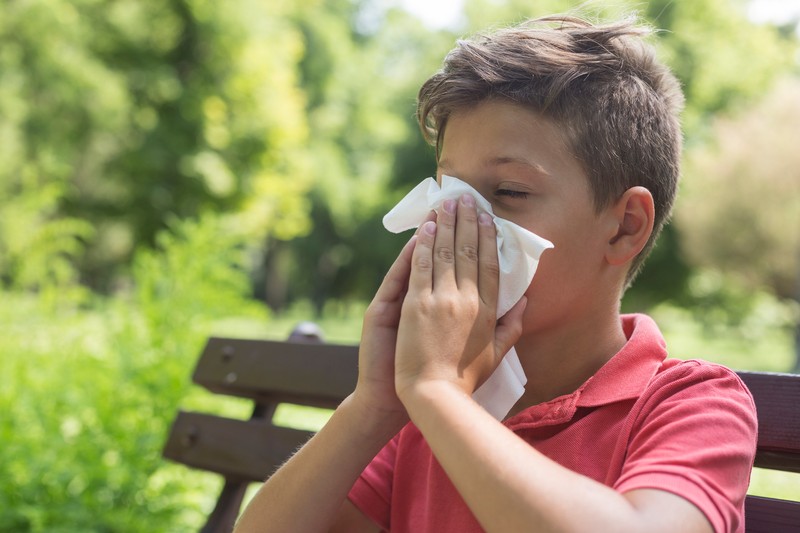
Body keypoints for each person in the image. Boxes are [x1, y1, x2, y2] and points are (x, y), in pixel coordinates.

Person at [234, 14, 757, 533]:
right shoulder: (417, 413)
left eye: (508, 193)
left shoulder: (691, 404)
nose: (456, 222)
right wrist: (373, 406)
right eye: (448, 191)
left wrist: (439, 393)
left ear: (624, 227)